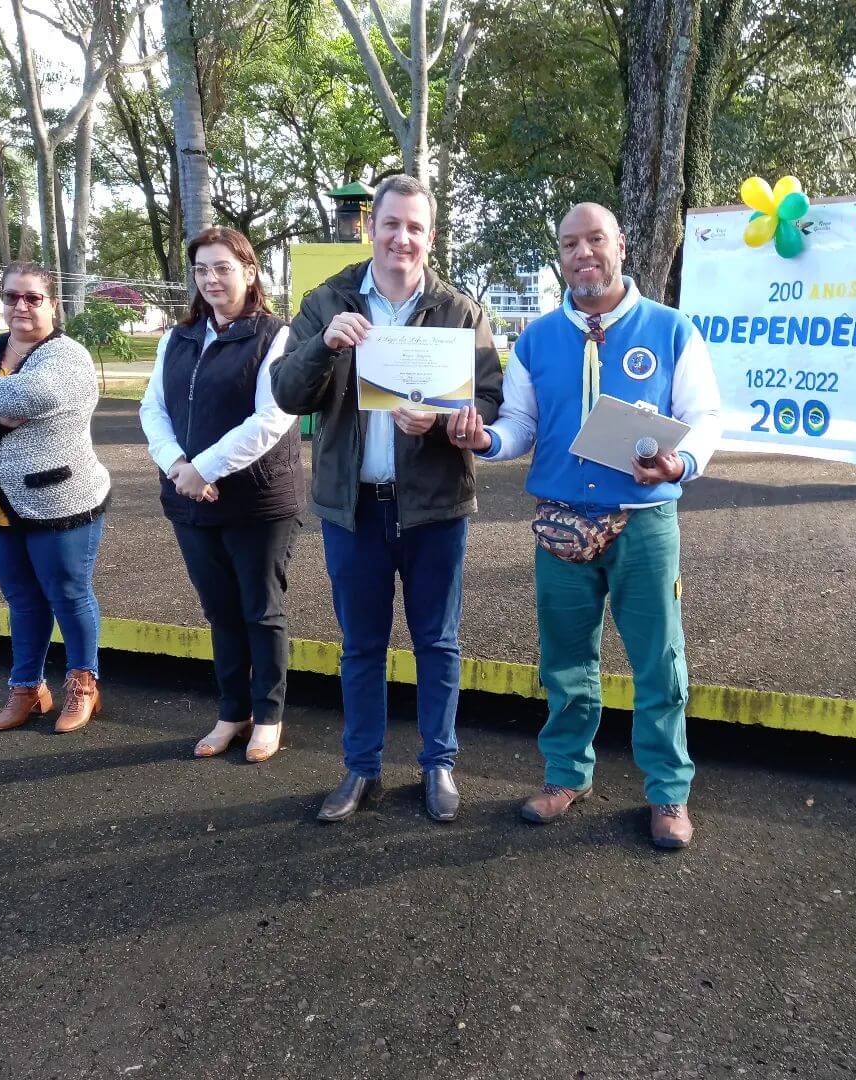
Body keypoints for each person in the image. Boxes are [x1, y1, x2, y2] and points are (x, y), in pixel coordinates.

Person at [449, 203, 721, 849]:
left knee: (661, 665)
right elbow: (520, 425)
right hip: (561, 527)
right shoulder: (539, 339)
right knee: (567, 664)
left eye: (594, 239)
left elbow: (704, 415)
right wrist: (484, 438)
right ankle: (566, 775)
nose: (583, 254)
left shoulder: (670, 329)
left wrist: (680, 462)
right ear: (561, 256)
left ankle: (668, 792)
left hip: (645, 525)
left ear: (620, 246)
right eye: (570, 244)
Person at [272, 175, 502, 823]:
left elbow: (488, 399)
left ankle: (439, 767)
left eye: (416, 228)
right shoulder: (330, 300)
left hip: (434, 507)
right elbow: (289, 394)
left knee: (438, 642)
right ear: (371, 226)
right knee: (361, 647)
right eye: (392, 224)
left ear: (430, 237)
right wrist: (326, 344)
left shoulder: (459, 311)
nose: (403, 238)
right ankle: (361, 769)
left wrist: (453, 421)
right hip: (353, 508)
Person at [139, 227, 302, 763]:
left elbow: (273, 417)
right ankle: (233, 712)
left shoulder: (275, 336)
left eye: (223, 267)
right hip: (190, 501)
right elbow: (152, 410)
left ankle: (269, 715)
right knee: (221, 612)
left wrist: (206, 465)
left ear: (249, 271)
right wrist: (180, 467)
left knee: (261, 610)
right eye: (202, 269)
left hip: (257, 503)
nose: (211, 279)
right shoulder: (178, 337)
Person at [0, 262, 111, 733]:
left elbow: (35, 395)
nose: (21, 306)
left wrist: (1, 408)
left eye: (33, 297)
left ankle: (84, 683)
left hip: (60, 501)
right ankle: (27, 688)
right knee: (21, 598)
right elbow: (11, 403)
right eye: (12, 296)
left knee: (69, 594)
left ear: (51, 303)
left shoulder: (68, 357)